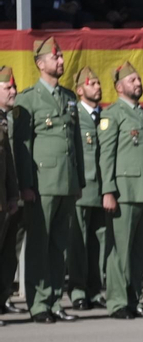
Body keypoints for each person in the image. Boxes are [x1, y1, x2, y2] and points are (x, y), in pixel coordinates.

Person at [14, 37, 87, 324]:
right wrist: (26, 185)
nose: (60, 61)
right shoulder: (28, 99)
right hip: (42, 182)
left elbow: (76, 144)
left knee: (60, 245)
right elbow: (23, 146)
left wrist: (79, 178)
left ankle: (55, 299)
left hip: (66, 181)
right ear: (39, 63)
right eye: (54, 57)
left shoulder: (69, 98)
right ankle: (39, 303)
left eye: (61, 57)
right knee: (39, 245)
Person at [97, 61, 143, 320]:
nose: (138, 83)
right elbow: (106, 156)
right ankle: (117, 302)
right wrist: (108, 190)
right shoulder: (112, 115)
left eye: (138, 79)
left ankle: (134, 300)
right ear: (118, 86)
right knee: (119, 252)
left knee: (138, 253)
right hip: (124, 192)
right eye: (132, 80)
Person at [67, 67, 107, 311]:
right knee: (78, 243)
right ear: (80, 90)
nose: (98, 87)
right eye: (93, 84)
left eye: (100, 84)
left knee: (99, 243)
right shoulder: (74, 116)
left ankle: (94, 290)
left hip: (103, 189)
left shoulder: (106, 116)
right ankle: (78, 290)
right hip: (83, 188)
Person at [0, 67, 23, 315]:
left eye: (14, 87)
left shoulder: (17, 118)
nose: (13, 91)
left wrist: (15, 193)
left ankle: (3, 297)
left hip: (11, 195)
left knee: (9, 252)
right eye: (7, 88)